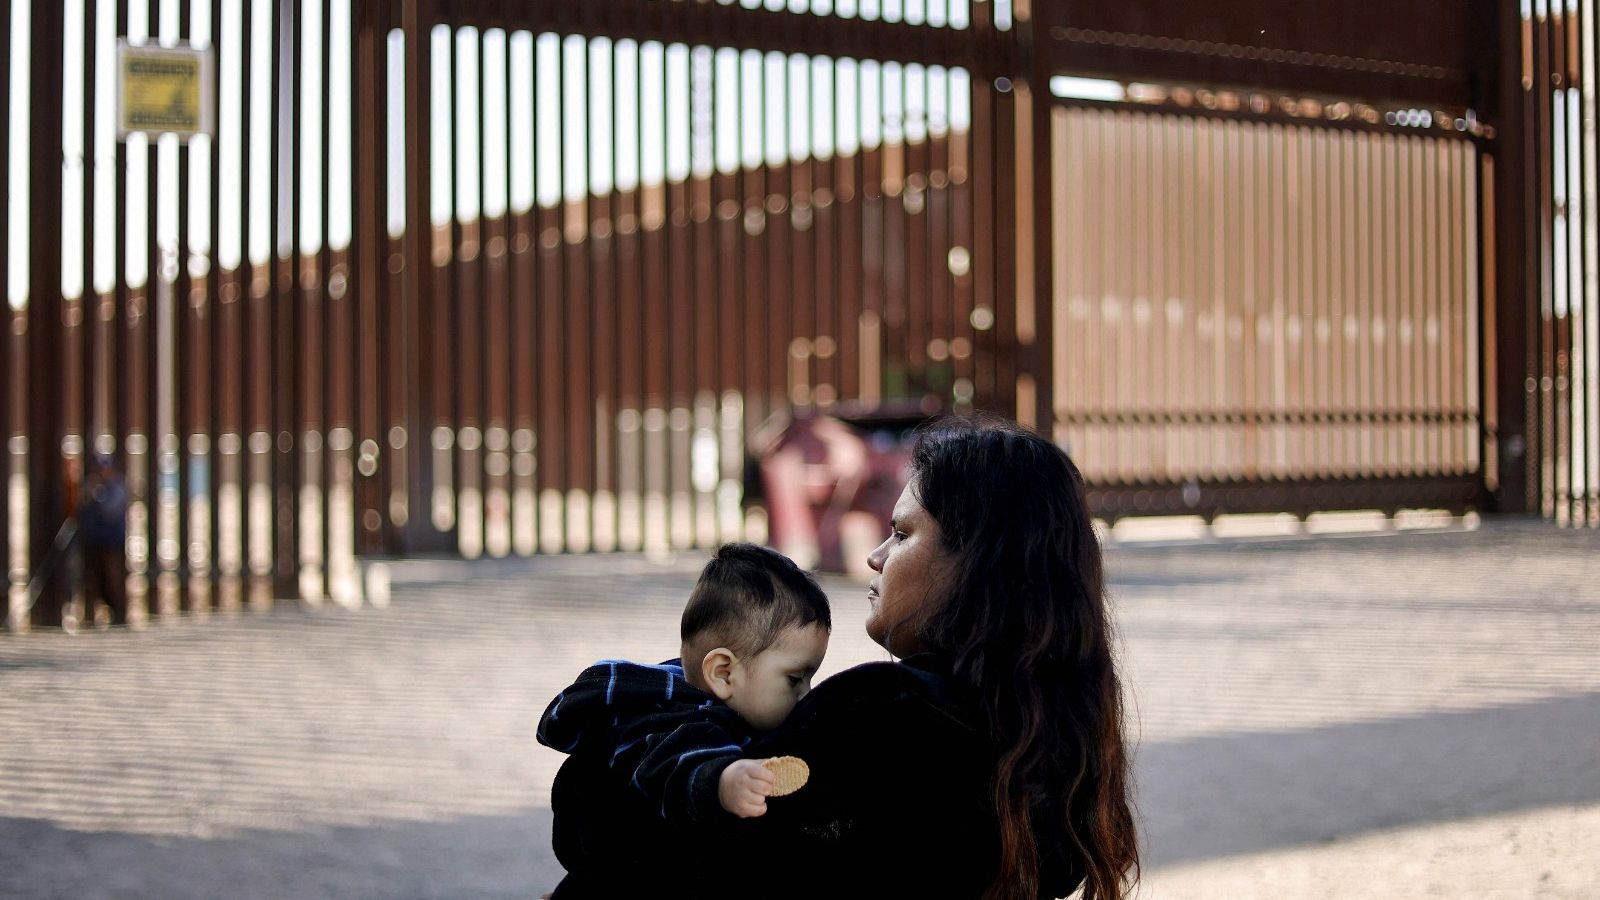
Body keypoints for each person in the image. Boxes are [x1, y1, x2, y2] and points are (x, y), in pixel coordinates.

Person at [663, 416, 1139, 899]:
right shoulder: (1056, 740)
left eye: (902, 533)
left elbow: (664, 847)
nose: (876, 555)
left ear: (974, 560)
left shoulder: (882, 711)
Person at [536, 542, 832, 898]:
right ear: (723, 674)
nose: (806, 693)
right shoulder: (675, 721)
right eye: (795, 679)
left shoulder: (704, 702)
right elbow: (678, 765)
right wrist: (724, 779)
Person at [77, 453, 130, 626]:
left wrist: (97, 495)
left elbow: (110, 510)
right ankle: (92, 615)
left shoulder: (118, 487)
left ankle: (118, 613)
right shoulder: (93, 486)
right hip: (94, 541)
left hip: (112, 542)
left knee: (113, 578)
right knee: (93, 579)